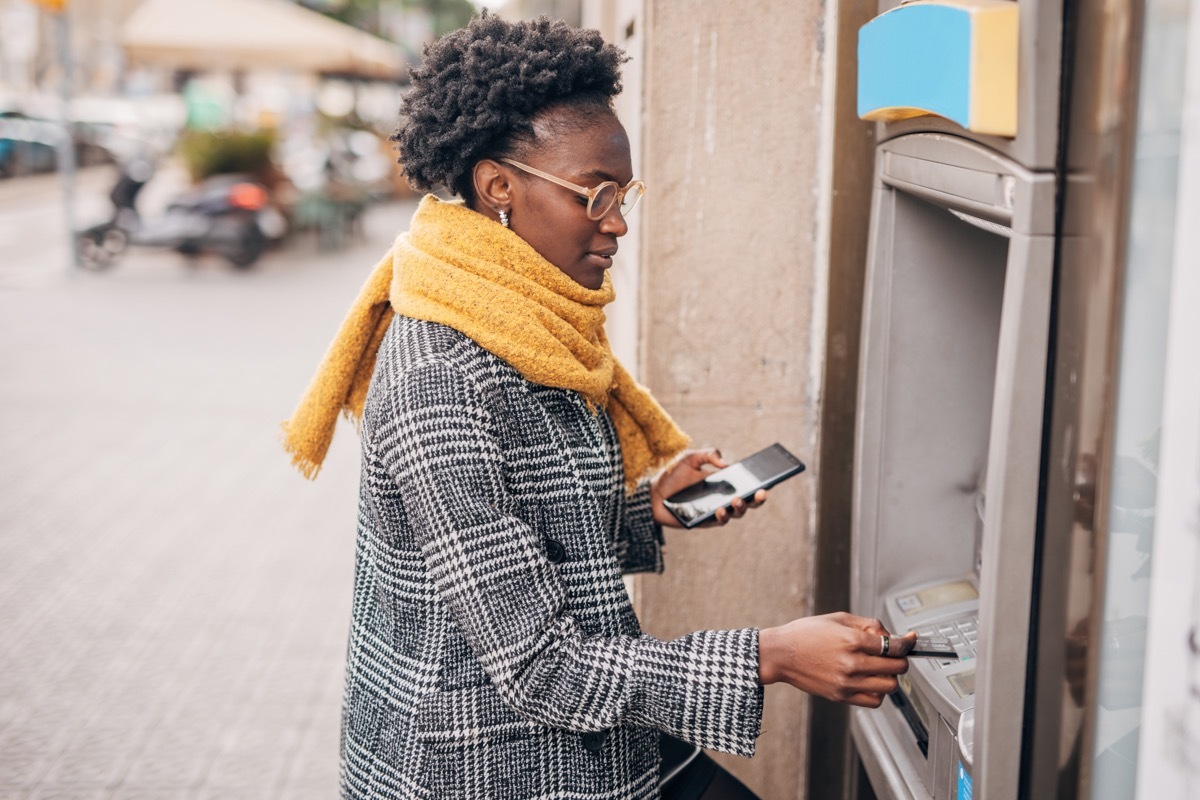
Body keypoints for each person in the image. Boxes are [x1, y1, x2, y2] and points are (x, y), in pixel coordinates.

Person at [281, 13, 912, 800]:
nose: (618, 221)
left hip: (577, 735)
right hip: (481, 762)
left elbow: (516, 536)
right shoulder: (442, 378)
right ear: (498, 187)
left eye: (625, 193)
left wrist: (649, 514)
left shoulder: (524, 317)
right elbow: (539, 664)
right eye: (597, 194)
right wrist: (770, 655)